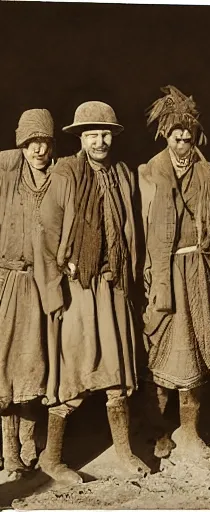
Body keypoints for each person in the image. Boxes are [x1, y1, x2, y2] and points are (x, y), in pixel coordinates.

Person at [35, 101, 150, 484]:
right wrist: (58, 283)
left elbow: (132, 230)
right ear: (80, 139)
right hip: (77, 287)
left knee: (117, 370)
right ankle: (50, 458)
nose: (100, 141)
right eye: (92, 134)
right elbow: (47, 234)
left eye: (105, 134)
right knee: (73, 370)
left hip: (112, 283)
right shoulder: (66, 173)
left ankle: (123, 451)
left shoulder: (121, 173)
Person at [140, 85, 210, 470]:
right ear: (165, 137)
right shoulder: (148, 176)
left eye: (189, 138)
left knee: (196, 354)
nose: (183, 144)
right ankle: (157, 429)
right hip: (162, 275)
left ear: (196, 138)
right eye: (175, 137)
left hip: (198, 274)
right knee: (160, 352)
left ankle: (191, 432)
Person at [0, 109, 55, 479]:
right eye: (32, 142)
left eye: (45, 142)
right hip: (6, 283)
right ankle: (8, 449)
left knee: (36, 363)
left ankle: (30, 442)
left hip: (42, 285)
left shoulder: (58, 177)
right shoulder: (7, 172)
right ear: (21, 144)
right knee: (3, 367)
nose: (38, 149)